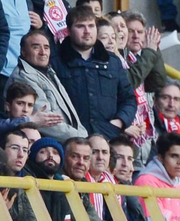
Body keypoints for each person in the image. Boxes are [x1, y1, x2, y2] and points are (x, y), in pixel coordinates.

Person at [54, 10, 137, 141]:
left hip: (109, 138)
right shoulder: (55, 62)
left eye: (91, 26)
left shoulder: (113, 61)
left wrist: (120, 122)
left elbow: (129, 99)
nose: (87, 31)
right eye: (80, 26)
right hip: (72, 140)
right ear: (68, 31)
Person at [15, 31, 85, 143]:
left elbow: (73, 116)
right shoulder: (23, 77)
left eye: (46, 47)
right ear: (23, 51)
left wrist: (83, 135)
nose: (43, 52)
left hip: (69, 140)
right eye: (36, 47)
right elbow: (46, 122)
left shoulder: (49, 72)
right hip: (47, 146)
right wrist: (81, 139)